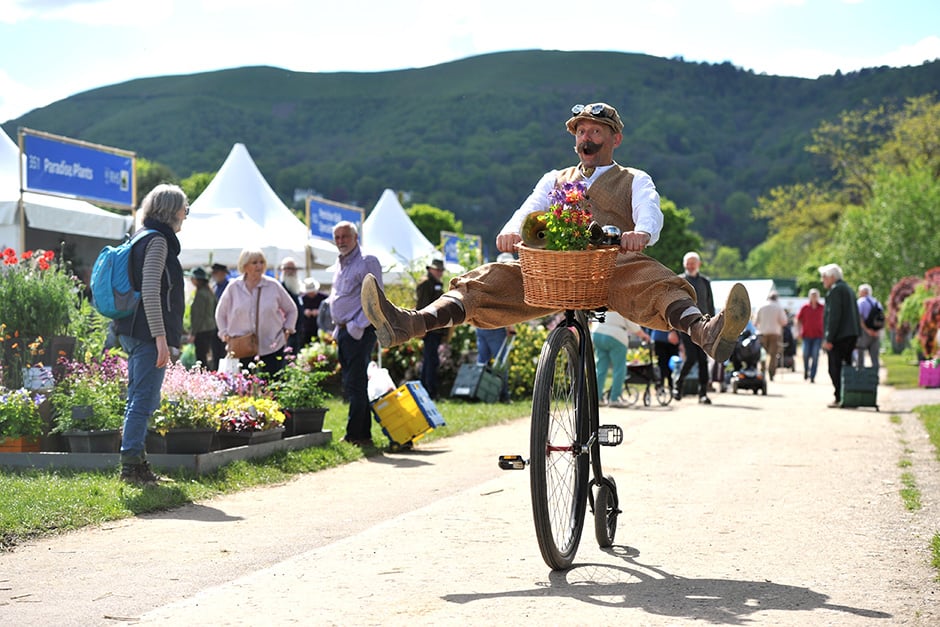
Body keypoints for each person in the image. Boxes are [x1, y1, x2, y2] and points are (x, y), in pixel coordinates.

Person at [360, 102, 750, 378]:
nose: (587, 137)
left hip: (612, 266)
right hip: (552, 271)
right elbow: (529, 209)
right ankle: (407, 324)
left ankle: (708, 334)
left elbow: (650, 212)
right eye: (581, 131)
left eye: (596, 131)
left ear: (615, 138)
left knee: (658, 283)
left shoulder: (635, 178)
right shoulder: (555, 178)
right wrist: (512, 231)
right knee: (487, 280)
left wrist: (640, 234)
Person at [115, 183, 189, 484]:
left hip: (132, 329)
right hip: (147, 333)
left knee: (139, 397)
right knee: (143, 400)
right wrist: (161, 338)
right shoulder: (158, 241)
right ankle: (131, 467)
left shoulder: (142, 237)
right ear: (172, 210)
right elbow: (150, 290)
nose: (186, 214)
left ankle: (138, 463)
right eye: (185, 208)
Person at [327, 221, 382, 446]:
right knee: (352, 383)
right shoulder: (341, 264)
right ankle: (361, 434)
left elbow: (375, 298)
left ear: (355, 237)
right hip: (344, 331)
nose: (341, 241)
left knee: (356, 383)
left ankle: (356, 435)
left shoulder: (366, 261)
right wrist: (338, 328)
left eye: (345, 236)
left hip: (358, 332)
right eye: (337, 237)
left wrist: (355, 326)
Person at [215, 248, 298, 375]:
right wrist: (224, 333)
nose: (259, 266)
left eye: (261, 262)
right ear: (245, 266)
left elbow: (291, 309)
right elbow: (220, 313)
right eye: (254, 263)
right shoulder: (233, 287)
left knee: (272, 386)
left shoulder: (273, 285)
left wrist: (287, 329)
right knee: (244, 388)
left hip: (272, 345)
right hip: (241, 347)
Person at [674, 251, 716, 404]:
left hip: (703, 325)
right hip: (685, 325)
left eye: (693, 263)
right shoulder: (679, 280)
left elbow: (710, 305)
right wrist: (673, 330)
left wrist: (713, 326)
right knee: (691, 357)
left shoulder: (705, 281)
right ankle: (678, 385)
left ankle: (703, 393)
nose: (690, 266)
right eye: (688, 263)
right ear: (684, 264)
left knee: (703, 359)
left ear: (699, 264)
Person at [819, 263, 860, 408]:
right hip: (851, 334)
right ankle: (847, 396)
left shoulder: (836, 291)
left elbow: (834, 317)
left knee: (834, 368)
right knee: (847, 367)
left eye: (824, 277)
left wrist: (829, 338)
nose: (822, 280)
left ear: (832, 277)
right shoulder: (848, 289)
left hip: (840, 336)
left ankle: (839, 396)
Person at [593, 311, 647, 408]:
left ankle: (596, 398)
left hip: (597, 333)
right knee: (619, 368)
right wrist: (644, 336)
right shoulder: (621, 305)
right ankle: (614, 399)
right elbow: (633, 325)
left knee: (600, 369)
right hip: (616, 335)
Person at [416, 258, 447, 399]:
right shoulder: (426, 283)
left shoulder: (436, 283)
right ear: (430, 269)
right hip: (430, 328)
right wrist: (422, 328)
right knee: (431, 360)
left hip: (435, 328)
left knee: (430, 360)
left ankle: (425, 390)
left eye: (441, 270)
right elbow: (422, 307)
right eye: (437, 270)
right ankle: (430, 391)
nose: (440, 273)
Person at [187, 266, 218, 370]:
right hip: (211, 328)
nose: (191, 280)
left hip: (202, 330)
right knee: (206, 356)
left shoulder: (201, 294)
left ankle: (205, 378)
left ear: (198, 279)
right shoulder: (210, 292)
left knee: (201, 358)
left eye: (192, 278)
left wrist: (193, 333)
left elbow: (198, 316)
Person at [754, 290, 788, 382]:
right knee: (773, 355)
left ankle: (762, 371)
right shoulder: (778, 307)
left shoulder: (761, 306)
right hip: (775, 334)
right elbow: (784, 322)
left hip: (762, 333)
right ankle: (771, 373)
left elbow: (755, 322)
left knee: (763, 353)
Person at [795, 288, 825, 383]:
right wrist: (798, 331)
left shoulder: (822, 308)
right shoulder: (805, 307)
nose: (814, 297)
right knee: (805, 355)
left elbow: (826, 321)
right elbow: (798, 320)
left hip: (818, 336)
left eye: (815, 295)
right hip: (806, 335)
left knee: (815, 355)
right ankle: (806, 371)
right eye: (812, 295)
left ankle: (812, 376)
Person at [278, 257, 304, 354]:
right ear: (283, 270)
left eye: (293, 269)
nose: (291, 272)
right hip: (286, 334)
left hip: (297, 332)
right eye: (288, 268)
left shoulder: (296, 289)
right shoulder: (281, 289)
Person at [855, 283, 882, 371]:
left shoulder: (860, 302)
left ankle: (860, 376)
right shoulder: (877, 303)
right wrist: (876, 331)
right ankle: (874, 377)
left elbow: (858, 318)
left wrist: (867, 330)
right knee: (874, 357)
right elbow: (882, 318)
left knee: (860, 354)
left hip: (864, 332)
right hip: (876, 333)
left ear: (862, 292)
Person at [209, 263, 230, 369]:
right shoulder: (213, 287)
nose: (214, 275)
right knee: (216, 353)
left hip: (228, 326)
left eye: (215, 273)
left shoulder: (230, 287)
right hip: (214, 326)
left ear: (222, 273)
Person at [649, 328, 680, 393]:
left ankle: (668, 386)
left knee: (670, 364)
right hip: (662, 337)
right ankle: (663, 386)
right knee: (663, 364)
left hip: (668, 337)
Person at [300, 277, 327, 348]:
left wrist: (319, 311)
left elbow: (328, 309)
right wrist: (304, 311)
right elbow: (298, 310)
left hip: (320, 326)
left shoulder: (324, 297)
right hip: (306, 328)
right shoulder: (302, 299)